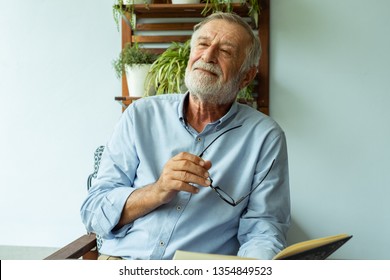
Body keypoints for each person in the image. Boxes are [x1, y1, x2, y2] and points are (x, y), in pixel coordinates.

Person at [80, 12, 290, 260]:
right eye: (202, 44)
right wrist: (157, 190)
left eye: (225, 51)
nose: (208, 56)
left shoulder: (265, 137)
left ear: (246, 76)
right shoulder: (140, 115)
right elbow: (93, 212)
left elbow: (263, 229)